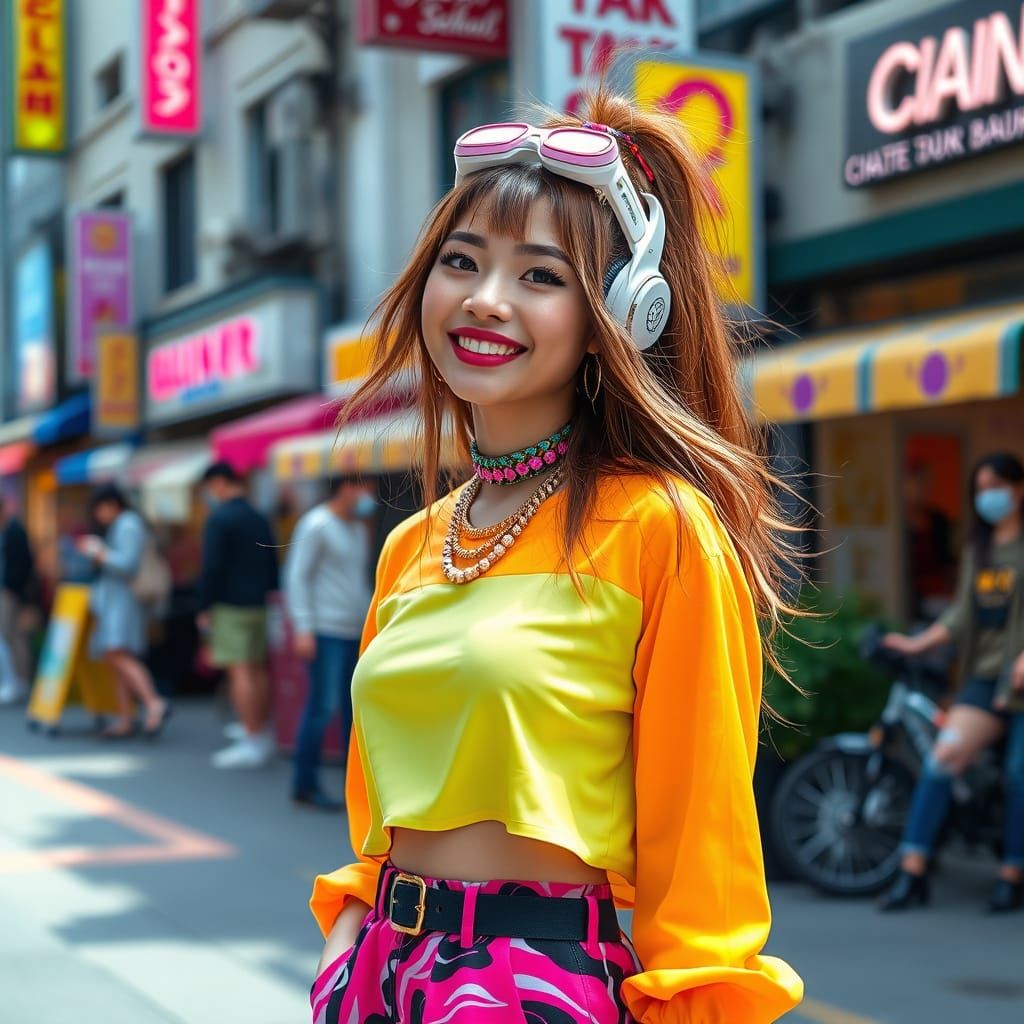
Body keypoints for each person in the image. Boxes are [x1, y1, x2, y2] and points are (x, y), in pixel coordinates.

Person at [307, 90, 803, 1024]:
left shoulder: (660, 524)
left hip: (537, 987)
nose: (484, 299)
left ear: (620, 313)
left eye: (541, 275)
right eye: (461, 261)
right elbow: (381, 804)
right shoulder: (416, 544)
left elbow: (704, 846)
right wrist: (345, 946)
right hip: (378, 973)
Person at [881, 451, 1024, 913]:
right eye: (980, 490)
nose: (989, 498)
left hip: (1020, 677)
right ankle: (912, 872)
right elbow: (962, 615)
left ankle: (1011, 873)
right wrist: (916, 644)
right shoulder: (977, 550)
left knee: (1019, 774)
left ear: (1018, 489)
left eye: (996, 487)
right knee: (943, 758)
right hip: (986, 678)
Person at [284, 475, 375, 811]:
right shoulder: (317, 524)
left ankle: (356, 792)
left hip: (354, 629)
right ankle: (304, 783)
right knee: (322, 707)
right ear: (346, 488)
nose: (369, 497)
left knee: (354, 711)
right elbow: (297, 576)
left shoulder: (356, 527)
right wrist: (303, 628)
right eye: (365, 489)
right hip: (324, 629)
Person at [198, 461, 279, 769]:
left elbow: (211, 568)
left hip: (230, 605)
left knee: (239, 671)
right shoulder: (259, 516)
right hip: (260, 603)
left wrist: (204, 606)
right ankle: (261, 730)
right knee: (257, 669)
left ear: (219, 483)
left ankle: (251, 736)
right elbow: (272, 561)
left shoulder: (219, 519)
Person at [78, 484, 171, 739]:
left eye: (100, 508)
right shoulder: (128, 523)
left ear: (111, 504)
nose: (98, 515)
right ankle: (126, 718)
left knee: (116, 653)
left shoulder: (127, 524)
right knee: (118, 656)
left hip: (123, 601)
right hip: (119, 600)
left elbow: (127, 564)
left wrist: (99, 553)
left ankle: (154, 703)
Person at [0, 497, 34, 704]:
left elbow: (24, 564)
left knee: (11, 636)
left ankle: (17, 681)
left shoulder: (14, 530)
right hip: (7, 591)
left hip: (9, 592)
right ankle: (15, 681)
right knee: (10, 636)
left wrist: (14, 589)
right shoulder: (8, 530)